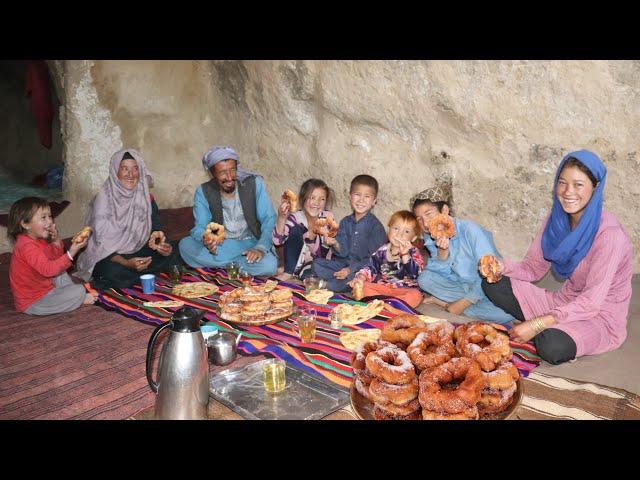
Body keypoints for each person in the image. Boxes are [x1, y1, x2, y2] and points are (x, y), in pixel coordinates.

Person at [481, 150, 633, 365]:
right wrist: (500, 265)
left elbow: (591, 303)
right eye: (562, 183)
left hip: (598, 315)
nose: (568, 192)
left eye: (578, 184)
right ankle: (550, 325)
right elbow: (532, 268)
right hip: (564, 302)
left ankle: (551, 329)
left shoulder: (610, 236)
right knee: (493, 284)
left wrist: (536, 325)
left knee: (552, 346)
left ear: (595, 188)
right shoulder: (557, 219)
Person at [75, 149, 182, 289]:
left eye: (135, 169)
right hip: (113, 256)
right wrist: (126, 263)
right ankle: (139, 275)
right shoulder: (104, 201)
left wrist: (163, 247)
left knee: (176, 250)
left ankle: (137, 276)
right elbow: (100, 244)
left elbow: (156, 230)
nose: (131, 175)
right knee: (110, 271)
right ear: (115, 172)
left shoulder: (146, 198)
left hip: (139, 251)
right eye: (125, 169)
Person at [412, 183, 514, 323]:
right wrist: (443, 252)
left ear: (445, 210)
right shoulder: (430, 236)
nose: (425, 223)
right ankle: (459, 305)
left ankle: (448, 304)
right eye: (419, 219)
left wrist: (466, 301)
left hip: (486, 287)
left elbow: (490, 271)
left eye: (428, 214)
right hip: (459, 284)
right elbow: (438, 273)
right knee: (424, 279)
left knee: (505, 315)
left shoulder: (470, 230)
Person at [178, 145, 278, 276]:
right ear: (212, 174)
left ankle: (225, 266)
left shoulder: (253, 184)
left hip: (250, 243)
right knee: (185, 246)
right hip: (222, 246)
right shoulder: (204, 192)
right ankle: (237, 265)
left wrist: (260, 248)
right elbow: (200, 227)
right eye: (222, 172)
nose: (230, 177)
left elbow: (269, 219)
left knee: (270, 265)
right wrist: (207, 238)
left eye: (232, 170)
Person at [8, 197, 97, 315]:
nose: (49, 222)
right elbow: (48, 270)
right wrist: (72, 252)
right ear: (25, 224)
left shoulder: (38, 239)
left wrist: (56, 240)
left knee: (61, 271)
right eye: (43, 218)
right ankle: (77, 298)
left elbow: (55, 258)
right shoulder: (26, 246)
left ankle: (69, 295)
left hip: (46, 287)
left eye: (49, 216)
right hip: (33, 303)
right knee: (79, 290)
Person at [312, 174, 387, 293]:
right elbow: (343, 252)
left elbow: (374, 260)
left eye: (367, 196)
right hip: (341, 265)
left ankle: (327, 284)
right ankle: (333, 282)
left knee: (356, 279)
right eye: (357, 195)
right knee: (317, 264)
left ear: (374, 201)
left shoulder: (375, 227)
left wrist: (350, 270)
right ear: (350, 197)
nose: (361, 200)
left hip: (362, 270)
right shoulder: (345, 222)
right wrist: (335, 243)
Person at [349, 210, 425, 308]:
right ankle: (389, 304)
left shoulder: (413, 252)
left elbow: (415, 275)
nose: (399, 234)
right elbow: (370, 267)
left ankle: (383, 304)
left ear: (413, 238)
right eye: (396, 228)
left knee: (415, 296)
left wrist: (405, 254)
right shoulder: (382, 251)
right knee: (362, 286)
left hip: (405, 290)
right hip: (384, 288)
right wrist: (360, 278)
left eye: (406, 231)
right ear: (389, 229)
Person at [272, 178, 336, 280]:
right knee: (296, 230)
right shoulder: (295, 218)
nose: (317, 203)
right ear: (303, 199)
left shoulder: (328, 218)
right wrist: (281, 217)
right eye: (312, 197)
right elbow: (277, 241)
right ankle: (288, 272)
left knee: (316, 276)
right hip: (300, 262)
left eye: (322, 199)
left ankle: (317, 275)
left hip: (322, 263)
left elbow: (334, 247)